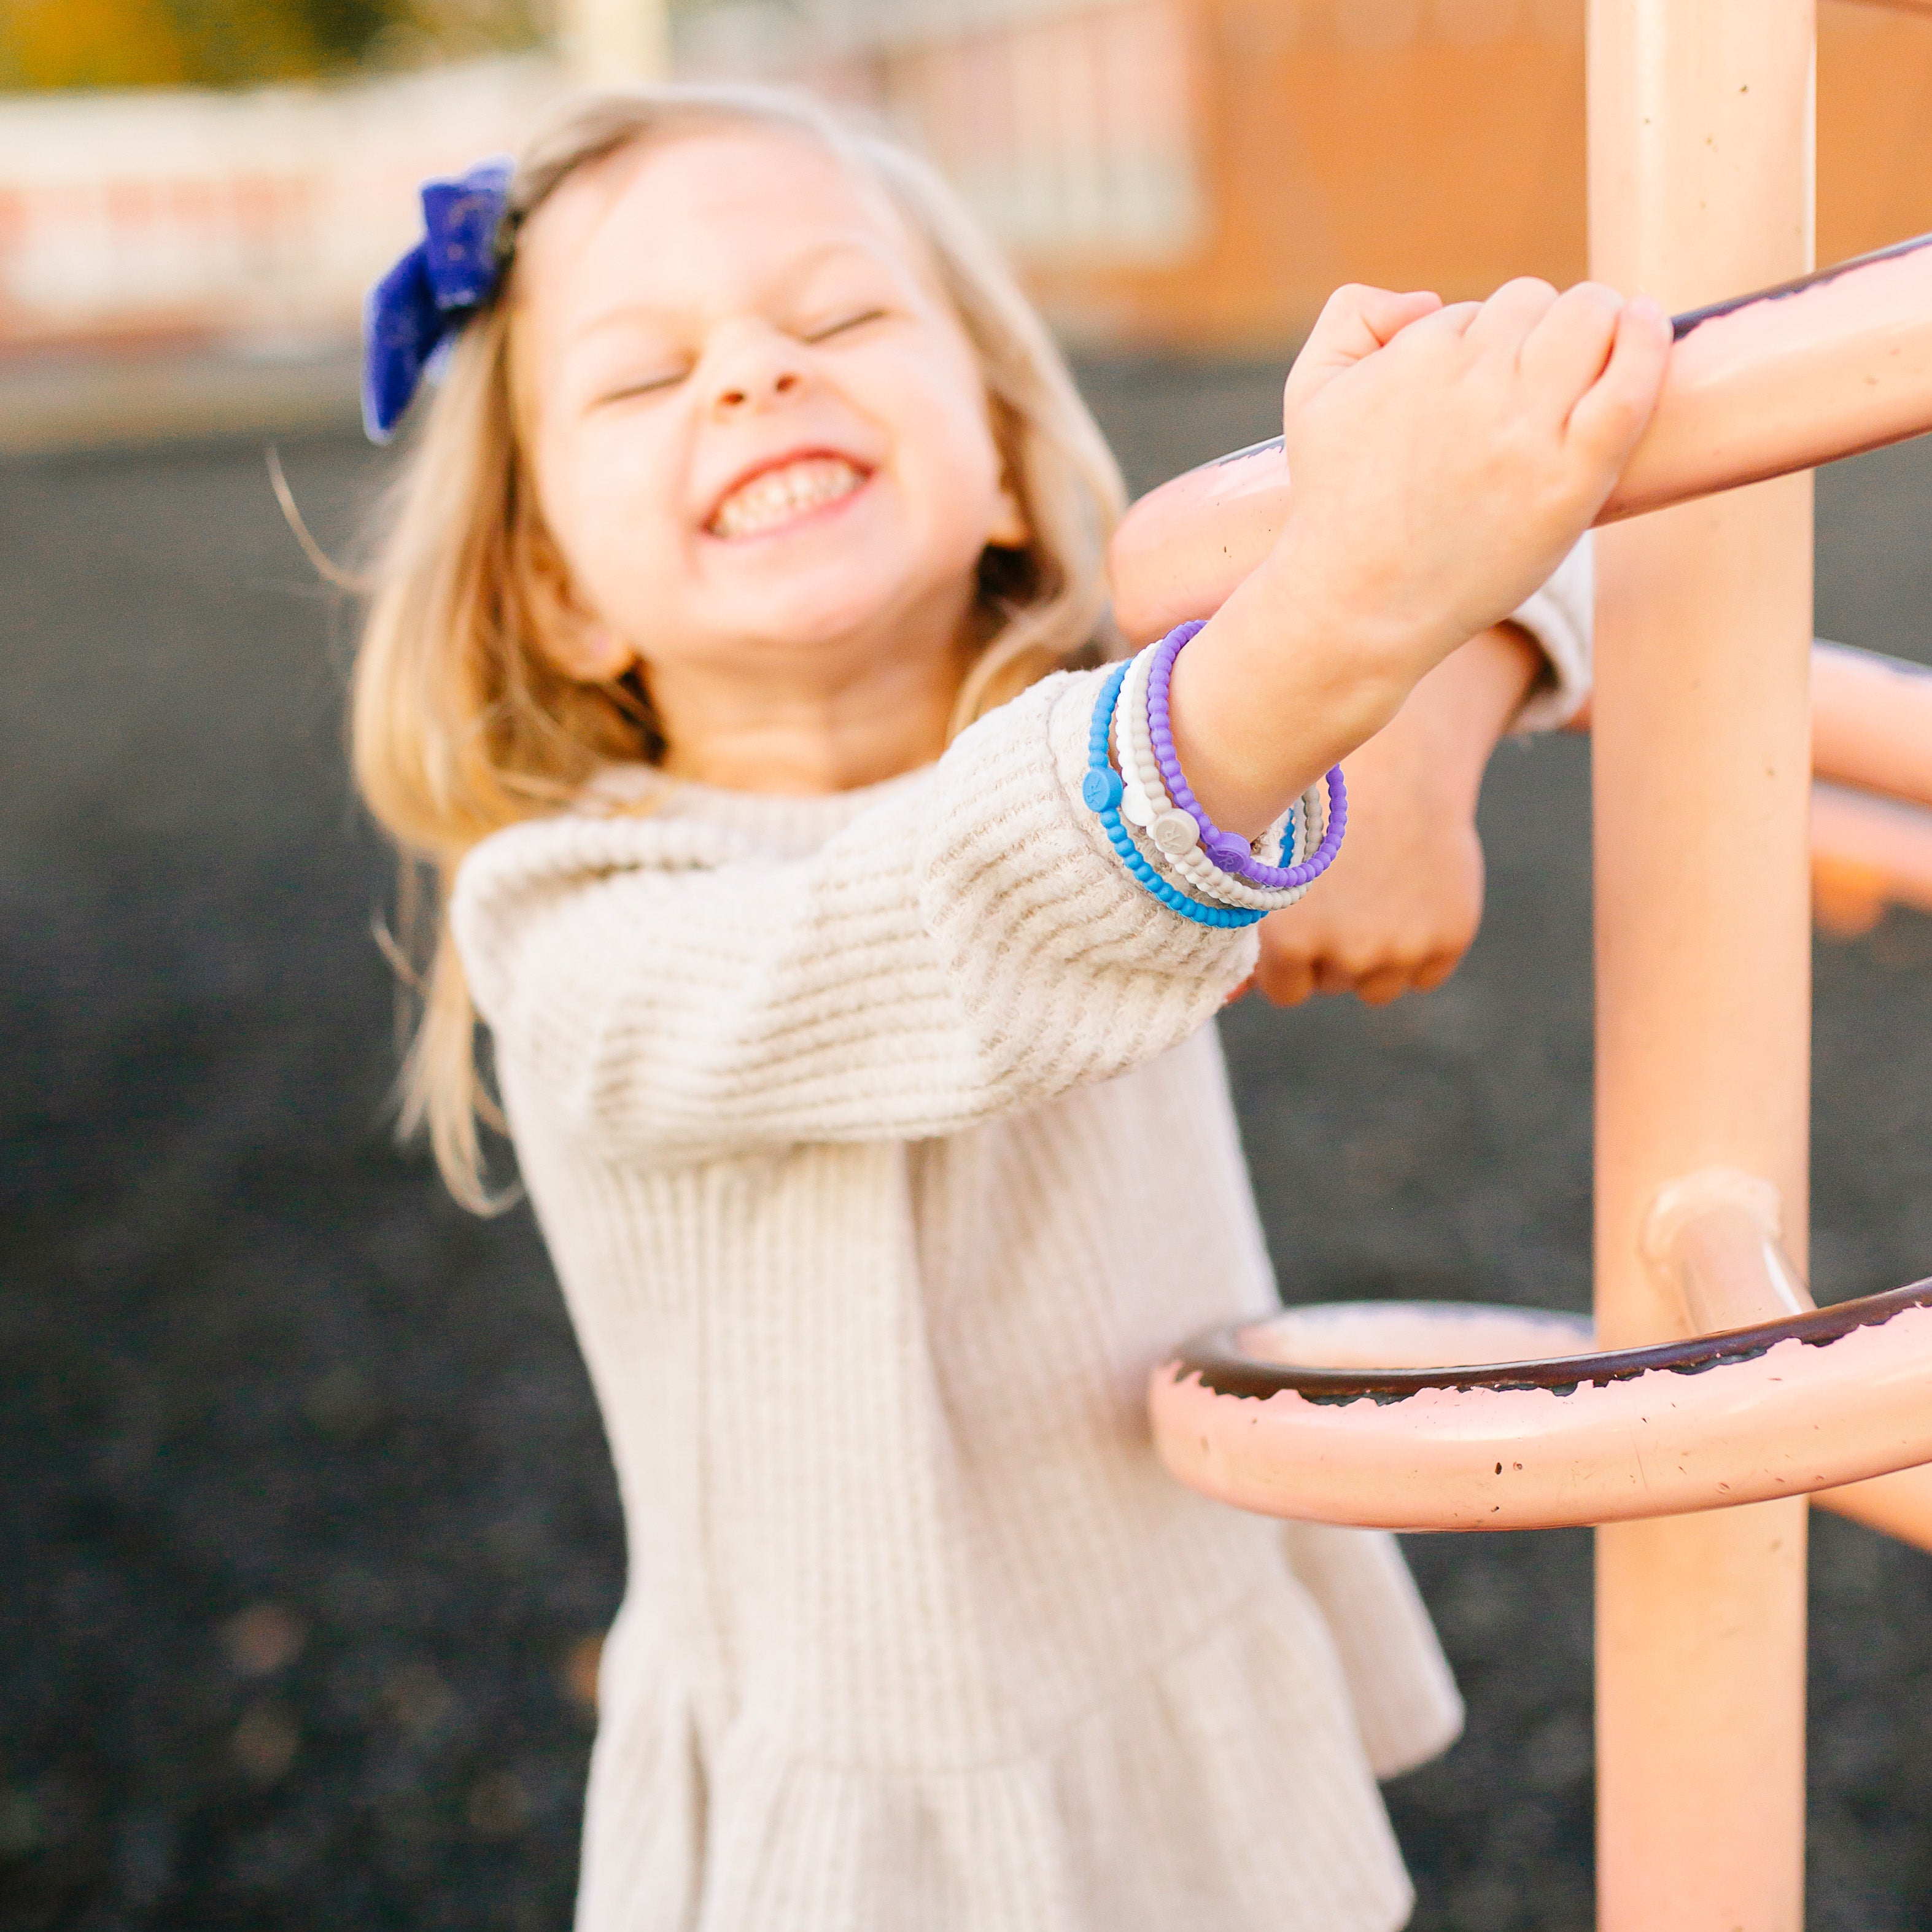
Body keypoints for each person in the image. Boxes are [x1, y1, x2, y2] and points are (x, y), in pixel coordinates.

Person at [349, 83, 1666, 1932]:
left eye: (836, 319)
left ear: (990, 443)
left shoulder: (1141, 717)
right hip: (865, 1826)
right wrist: (1340, 636)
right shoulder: (571, 927)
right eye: (646, 377)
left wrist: (1425, 733)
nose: (749, 376)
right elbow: (947, 924)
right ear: (557, 591)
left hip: (1166, 1654)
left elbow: (1578, 515)